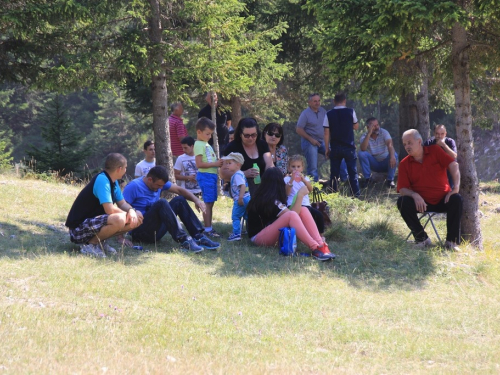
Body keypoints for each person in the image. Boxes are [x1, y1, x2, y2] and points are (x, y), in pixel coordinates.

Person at [122, 166, 220, 252]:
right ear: (150, 180)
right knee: (162, 202)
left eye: (162, 186)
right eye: (158, 185)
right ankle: (184, 240)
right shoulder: (134, 186)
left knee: (179, 200)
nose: (160, 188)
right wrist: (120, 238)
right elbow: (121, 209)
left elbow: (179, 190)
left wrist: (196, 200)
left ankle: (199, 237)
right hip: (140, 232)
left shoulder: (159, 184)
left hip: (156, 230)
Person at [246, 167, 335, 261]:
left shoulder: (266, 196)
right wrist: (300, 195)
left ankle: (321, 244)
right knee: (291, 215)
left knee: (303, 209)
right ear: (279, 183)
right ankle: (315, 248)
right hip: (258, 238)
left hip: (266, 233)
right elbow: (293, 216)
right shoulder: (271, 200)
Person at [65, 153, 143, 258]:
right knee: (119, 219)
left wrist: (132, 211)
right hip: (78, 229)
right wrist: (128, 214)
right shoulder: (102, 180)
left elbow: (122, 203)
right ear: (119, 169)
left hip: (92, 225)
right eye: (125, 168)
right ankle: (90, 245)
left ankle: (99, 242)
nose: (125, 171)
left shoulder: (113, 182)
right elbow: (109, 209)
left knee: (138, 218)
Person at [397, 129, 462, 250]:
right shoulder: (404, 163)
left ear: (419, 141)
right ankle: (422, 239)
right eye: (405, 144)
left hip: (443, 200)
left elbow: (454, 164)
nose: (407, 147)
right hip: (422, 204)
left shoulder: (435, 151)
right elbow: (402, 189)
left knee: (456, 199)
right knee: (402, 202)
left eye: (410, 143)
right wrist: (414, 195)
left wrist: (456, 187)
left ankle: (451, 242)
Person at [222, 117, 273, 196]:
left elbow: (270, 165)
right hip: (240, 189)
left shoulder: (262, 144)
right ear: (240, 134)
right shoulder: (232, 147)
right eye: (246, 135)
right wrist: (243, 173)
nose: (250, 138)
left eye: (253, 135)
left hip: (262, 186)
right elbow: (223, 173)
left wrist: (268, 175)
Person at [323, 92, 360, 197]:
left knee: (334, 173)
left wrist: (327, 148)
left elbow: (326, 132)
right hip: (349, 147)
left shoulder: (328, 114)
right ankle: (355, 195)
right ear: (345, 101)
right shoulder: (350, 111)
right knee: (352, 173)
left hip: (335, 147)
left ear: (334, 102)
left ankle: (333, 195)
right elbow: (356, 127)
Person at [194, 117, 223, 238]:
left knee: (210, 202)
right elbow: (199, 164)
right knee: (207, 203)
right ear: (199, 132)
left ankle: (208, 227)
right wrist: (215, 164)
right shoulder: (199, 144)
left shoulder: (205, 144)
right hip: (206, 176)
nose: (209, 136)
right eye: (207, 134)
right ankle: (207, 229)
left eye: (211, 134)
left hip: (211, 176)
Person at [284, 155, 325, 236]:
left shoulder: (306, 179)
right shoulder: (286, 179)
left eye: (298, 166)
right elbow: (287, 193)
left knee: (319, 215)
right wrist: (292, 179)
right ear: (289, 168)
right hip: (292, 205)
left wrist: (304, 181)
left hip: (306, 205)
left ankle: (321, 236)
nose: (296, 169)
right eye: (293, 167)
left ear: (302, 168)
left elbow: (310, 190)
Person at [358, 117, 398, 188]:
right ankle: (368, 179)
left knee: (394, 154)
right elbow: (363, 148)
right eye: (373, 126)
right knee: (361, 153)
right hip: (374, 163)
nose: (376, 127)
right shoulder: (364, 136)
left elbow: (390, 144)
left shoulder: (384, 132)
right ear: (368, 127)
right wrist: (369, 134)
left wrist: (392, 156)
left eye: (377, 125)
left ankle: (390, 180)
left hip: (386, 161)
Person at [221, 152, 250, 241]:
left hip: (241, 199)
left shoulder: (237, 175)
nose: (227, 166)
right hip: (246, 198)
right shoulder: (239, 174)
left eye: (230, 163)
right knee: (246, 216)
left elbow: (243, 186)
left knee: (236, 216)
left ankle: (236, 234)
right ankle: (250, 230)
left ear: (238, 164)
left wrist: (240, 198)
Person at [423, 124, 457, 188]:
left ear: (445, 134)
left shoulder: (450, 142)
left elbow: (454, 156)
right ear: (434, 134)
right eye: (437, 134)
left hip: (448, 172)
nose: (440, 136)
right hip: (433, 173)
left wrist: (444, 145)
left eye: (442, 134)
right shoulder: (429, 143)